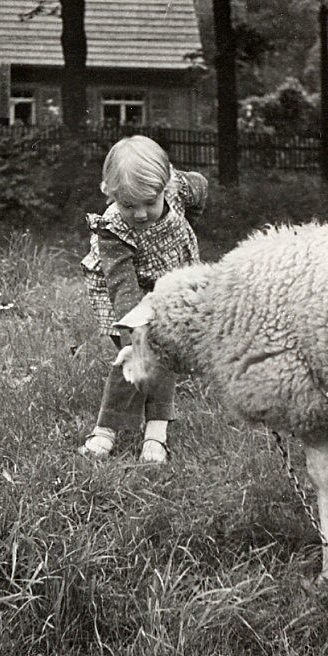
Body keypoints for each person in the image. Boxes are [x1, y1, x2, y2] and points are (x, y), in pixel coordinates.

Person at [79, 135, 208, 463]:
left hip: (166, 281)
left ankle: (156, 429)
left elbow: (201, 186)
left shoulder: (179, 188)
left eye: (149, 203)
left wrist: (194, 214)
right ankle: (108, 428)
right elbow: (123, 287)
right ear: (110, 193)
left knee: (161, 351)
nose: (139, 214)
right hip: (124, 292)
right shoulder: (113, 230)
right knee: (137, 352)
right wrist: (131, 335)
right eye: (128, 205)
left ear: (167, 187)